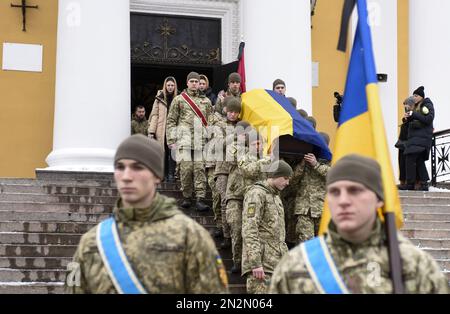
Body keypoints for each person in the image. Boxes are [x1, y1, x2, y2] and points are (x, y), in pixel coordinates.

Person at [67, 135, 228, 294]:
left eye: (137, 167)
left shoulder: (190, 237)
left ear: (157, 175)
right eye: (120, 167)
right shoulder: (91, 242)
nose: (126, 176)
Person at [269, 154, 449, 294]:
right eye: (334, 192)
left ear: (379, 199)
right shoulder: (297, 264)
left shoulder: (414, 265)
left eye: (355, 191)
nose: (344, 200)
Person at [242, 160, 293, 294]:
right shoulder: (257, 193)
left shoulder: (275, 197)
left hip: (276, 263)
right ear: (274, 175)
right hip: (262, 266)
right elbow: (249, 228)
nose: (287, 183)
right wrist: (256, 263)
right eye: (285, 178)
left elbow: (277, 233)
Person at [166, 72, 212, 211]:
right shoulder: (179, 100)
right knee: (185, 170)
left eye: (196, 81)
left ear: (199, 84)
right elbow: (171, 121)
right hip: (183, 141)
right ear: (187, 83)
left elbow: (210, 122)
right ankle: (186, 197)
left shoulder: (207, 102)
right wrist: (171, 140)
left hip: (200, 142)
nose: (194, 83)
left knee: (199, 170)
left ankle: (200, 199)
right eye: (191, 81)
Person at [400, 86, 435, 191]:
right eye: (413, 95)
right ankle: (424, 184)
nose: (414, 97)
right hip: (416, 139)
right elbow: (416, 120)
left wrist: (413, 114)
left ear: (421, 97)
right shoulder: (416, 106)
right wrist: (407, 118)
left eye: (416, 95)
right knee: (419, 161)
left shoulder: (427, 104)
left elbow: (428, 119)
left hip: (421, 138)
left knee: (409, 158)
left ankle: (410, 184)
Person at [148, 76, 178, 182]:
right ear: (165, 86)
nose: (170, 87)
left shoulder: (178, 98)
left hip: (174, 129)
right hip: (161, 129)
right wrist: (151, 131)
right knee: (163, 152)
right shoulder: (159, 98)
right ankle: (163, 175)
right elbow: (154, 114)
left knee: (172, 152)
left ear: (175, 86)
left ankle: (171, 175)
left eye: (172, 85)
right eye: (168, 85)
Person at [395, 96, 415, 186]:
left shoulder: (414, 115)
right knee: (401, 163)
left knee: (407, 163)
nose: (406, 107)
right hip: (402, 144)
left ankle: (408, 181)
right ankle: (402, 181)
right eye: (405, 105)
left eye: (407, 105)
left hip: (408, 143)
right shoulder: (407, 115)